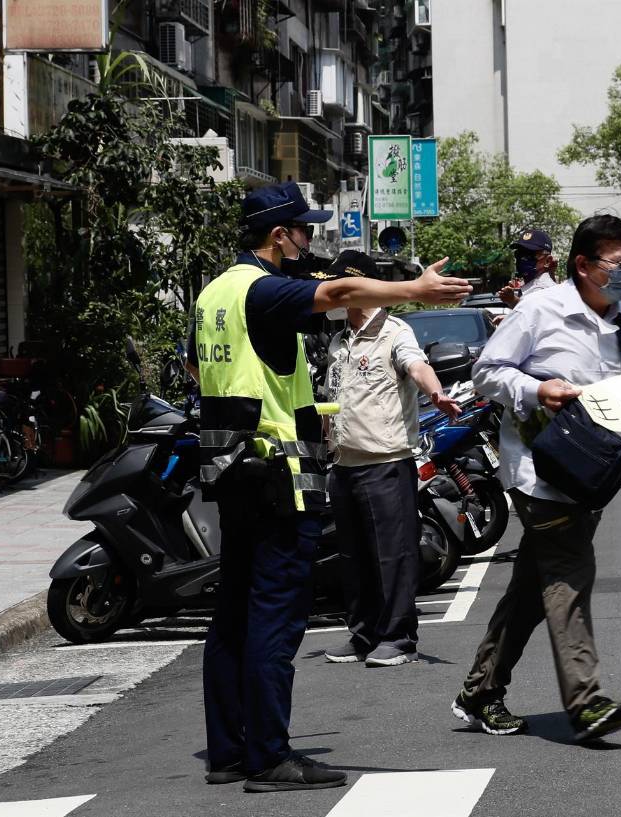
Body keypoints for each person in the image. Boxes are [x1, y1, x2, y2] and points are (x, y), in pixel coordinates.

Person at [190, 181, 471, 793]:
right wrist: (413, 290)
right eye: (304, 229)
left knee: (233, 613)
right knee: (273, 617)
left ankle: (228, 750)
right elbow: (339, 291)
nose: (309, 239)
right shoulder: (262, 290)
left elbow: (208, 370)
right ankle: (268, 756)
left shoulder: (213, 292)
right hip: (276, 478)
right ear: (278, 235)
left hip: (231, 472)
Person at [452, 214, 621, 743]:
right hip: (540, 468)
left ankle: (480, 690)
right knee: (569, 573)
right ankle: (585, 701)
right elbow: (487, 373)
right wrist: (539, 391)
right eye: (620, 263)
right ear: (583, 266)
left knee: (532, 589)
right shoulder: (541, 309)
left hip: (595, 465)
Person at [320, 252, 463, 668]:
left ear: (360, 285)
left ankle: (399, 638)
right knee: (354, 555)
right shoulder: (339, 340)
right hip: (343, 463)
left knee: (393, 553)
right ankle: (362, 633)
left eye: (340, 286)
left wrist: (435, 393)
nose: (333, 294)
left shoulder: (394, 331)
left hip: (385, 462)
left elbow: (416, 367)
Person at [498, 229, 558, 308]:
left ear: (547, 261)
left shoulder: (542, 290)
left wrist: (513, 301)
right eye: (519, 254)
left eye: (529, 254)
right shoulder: (530, 288)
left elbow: (532, 315)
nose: (522, 258)